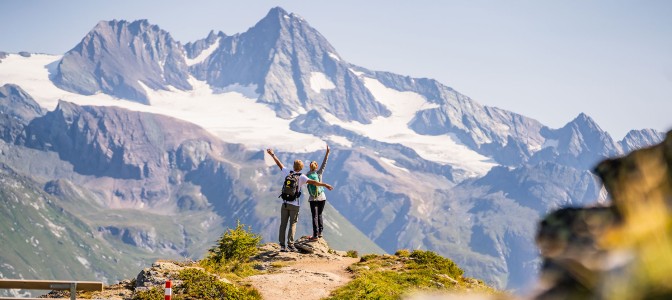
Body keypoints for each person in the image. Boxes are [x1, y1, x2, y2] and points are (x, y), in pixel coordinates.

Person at [266, 148, 333, 252]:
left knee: (283, 224)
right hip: (294, 204)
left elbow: (279, 164)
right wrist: (325, 184)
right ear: (301, 168)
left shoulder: (288, 172)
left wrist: (272, 154)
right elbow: (314, 182)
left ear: (293, 166)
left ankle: (282, 246)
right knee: (292, 224)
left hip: (284, 203)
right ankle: (291, 244)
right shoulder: (302, 177)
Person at [307, 144, 330, 239]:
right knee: (320, 214)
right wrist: (327, 152)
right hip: (322, 197)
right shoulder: (319, 173)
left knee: (314, 216)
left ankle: (315, 235)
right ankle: (320, 233)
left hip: (313, 198)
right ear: (316, 167)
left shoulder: (307, 175)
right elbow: (324, 163)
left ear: (310, 166)